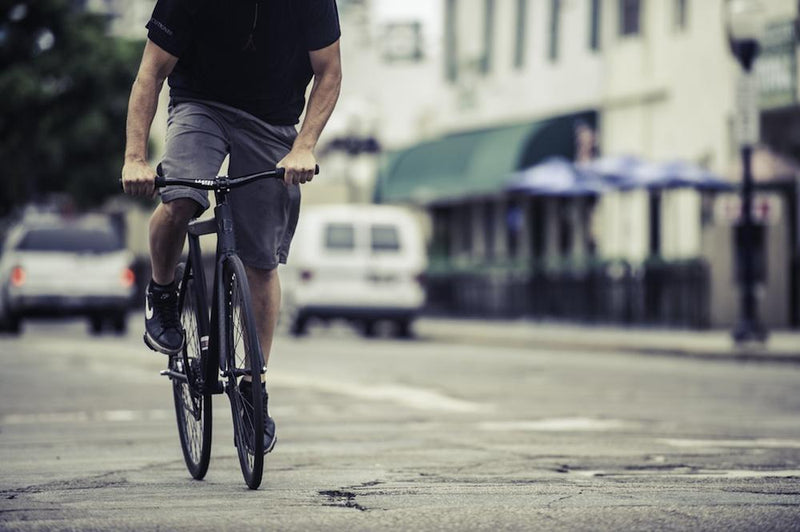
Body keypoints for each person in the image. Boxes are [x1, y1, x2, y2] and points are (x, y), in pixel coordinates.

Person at [121, 0, 342, 454]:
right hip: (201, 106)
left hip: (273, 121)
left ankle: (251, 386)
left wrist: (304, 146)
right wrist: (135, 158)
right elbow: (151, 73)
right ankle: (162, 291)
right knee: (180, 197)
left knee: (261, 259)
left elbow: (329, 71)